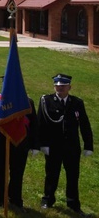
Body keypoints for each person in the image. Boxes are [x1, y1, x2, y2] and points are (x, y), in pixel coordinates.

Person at [38, 73, 93, 215]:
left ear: (69, 87)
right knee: (51, 174)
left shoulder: (77, 102)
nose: (59, 88)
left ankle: (73, 203)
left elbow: (84, 124)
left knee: (73, 175)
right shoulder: (46, 101)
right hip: (53, 146)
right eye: (57, 85)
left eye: (63, 86)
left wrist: (88, 145)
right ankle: (47, 200)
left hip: (72, 147)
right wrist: (42, 144)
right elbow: (41, 124)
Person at [0, 78, 37, 210]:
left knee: (17, 172)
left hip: (21, 142)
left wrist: (34, 145)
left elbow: (33, 124)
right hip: (0, 141)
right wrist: (8, 125)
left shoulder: (28, 101)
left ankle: (15, 198)